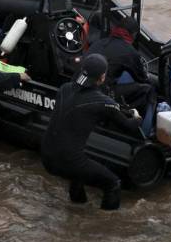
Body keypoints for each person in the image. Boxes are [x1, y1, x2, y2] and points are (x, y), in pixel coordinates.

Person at [41, 54, 142, 210]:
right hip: (68, 161)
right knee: (113, 183)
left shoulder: (64, 89)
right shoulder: (103, 103)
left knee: (78, 172)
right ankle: (104, 226)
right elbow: (129, 126)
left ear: (82, 70)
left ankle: (77, 208)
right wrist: (137, 117)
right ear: (102, 78)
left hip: (47, 157)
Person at [87, 16, 157, 134]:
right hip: (102, 96)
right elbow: (142, 78)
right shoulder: (130, 52)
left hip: (86, 90)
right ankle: (145, 131)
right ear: (133, 35)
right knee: (148, 90)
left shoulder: (98, 43)